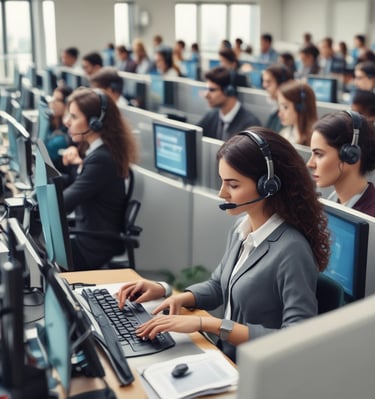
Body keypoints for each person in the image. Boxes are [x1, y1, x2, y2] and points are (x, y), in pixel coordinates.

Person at [117, 127, 330, 362]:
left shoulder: (292, 250)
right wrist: (177, 296)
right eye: (222, 182)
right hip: (225, 357)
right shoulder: (242, 228)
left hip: (254, 369)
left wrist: (209, 324)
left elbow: (296, 338)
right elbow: (219, 285)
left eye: (233, 185)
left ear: (268, 186)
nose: (221, 193)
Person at [61, 87, 138, 270]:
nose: (67, 122)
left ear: (95, 123)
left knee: (35, 254)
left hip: (92, 247)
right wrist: (77, 163)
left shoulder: (101, 160)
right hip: (89, 236)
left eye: (73, 117)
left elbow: (64, 203)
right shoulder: (99, 152)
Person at [307, 110, 375, 216]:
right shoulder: (332, 201)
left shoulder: (371, 220)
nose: (310, 164)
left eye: (319, 154)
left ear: (350, 155)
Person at [197, 66, 260, 140]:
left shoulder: (250, 125)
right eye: (207, 89)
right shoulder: (211, 115)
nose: (206, 95)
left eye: (212, 90)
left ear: (229, 91)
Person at [277, 80, 317, 146]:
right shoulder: (284, 133)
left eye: (285, 107)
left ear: (300, 107)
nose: (280, 114)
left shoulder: (315, 140)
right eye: (280, 106)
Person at [45, 85, 73, 171]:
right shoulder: (49, 123)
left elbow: (49, 149)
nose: (52, 103)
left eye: (57, 100)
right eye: (52, 98)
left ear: (66, 104)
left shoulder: (67, 131)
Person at [262, 64, 294, 132]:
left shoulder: (288, 115)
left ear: (282, 84)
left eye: (268, 82)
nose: (264, 85)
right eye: (264, 81)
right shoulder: (275, 112)